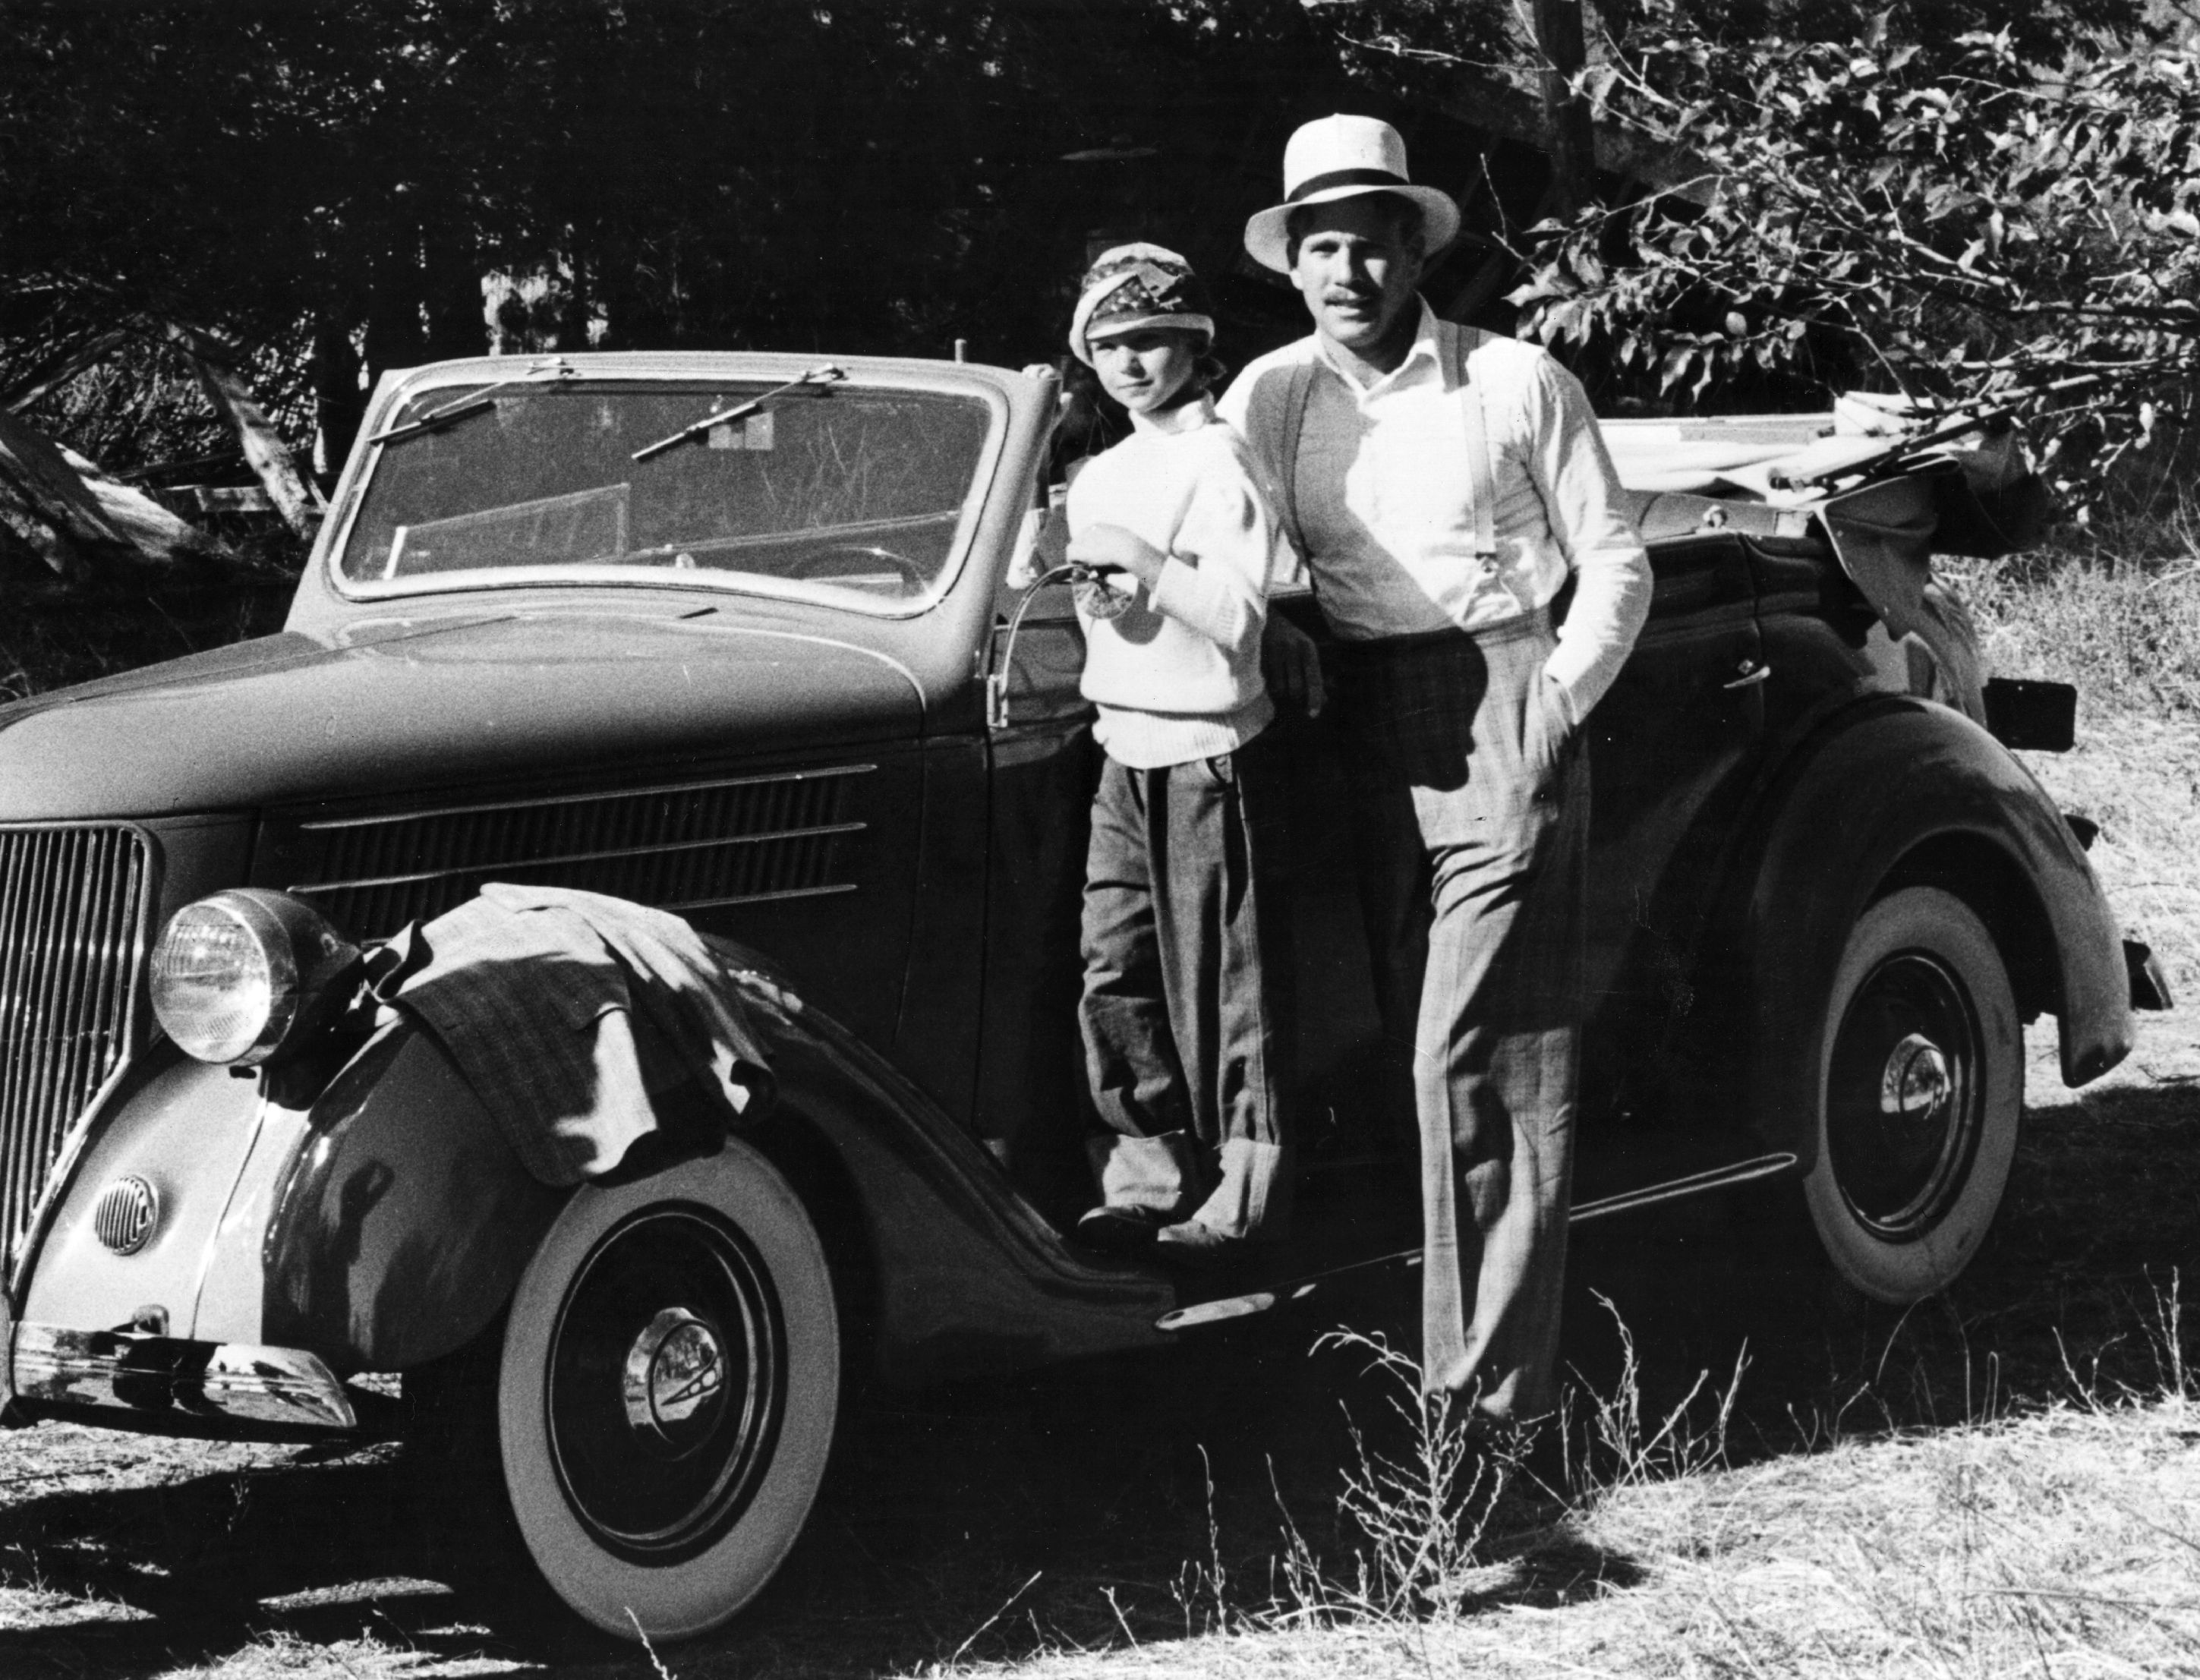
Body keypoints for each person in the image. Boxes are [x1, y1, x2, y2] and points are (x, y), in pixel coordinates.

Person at [1218, 116, 1652, 1418]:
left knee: (1476, 1061)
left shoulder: (1514, 380)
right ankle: (1399, 1348)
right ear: (1292, 265)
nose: (1346, 272)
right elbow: (1219, 538)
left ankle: (1481, 1415)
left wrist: (1557, 701)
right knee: (1373, 1049)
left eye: (1370, 243)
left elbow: (1615, 556)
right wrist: (1280, 630)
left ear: (1415, 252)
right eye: (1321, 248)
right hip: (1354, 722)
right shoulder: (1270, 393)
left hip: (1504, 701)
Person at [1061, 242, 1295, 1267]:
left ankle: (1244, 1193)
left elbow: (1238, 620)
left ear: (1197, 347)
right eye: (1106, 343)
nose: (1127, 361)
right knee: (1116, 963)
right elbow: (1108, 620)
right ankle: (1147, 1174)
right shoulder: (1100, 473)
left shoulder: (1218, 459)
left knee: (1222, 980)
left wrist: (1147, 562)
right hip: (1124, 746)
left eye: (1150, 338)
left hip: (1207, 750)